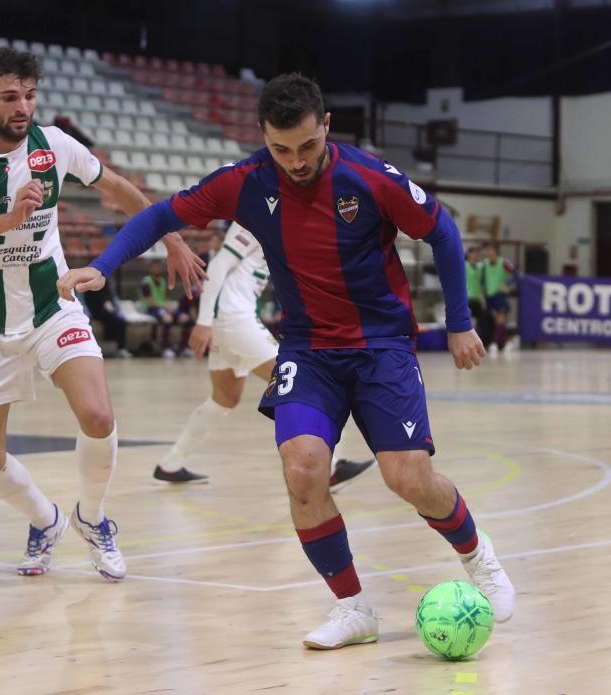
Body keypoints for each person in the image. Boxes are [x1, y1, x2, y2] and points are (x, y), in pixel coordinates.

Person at [58, 72, 514, 649]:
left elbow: (443, 232)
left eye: (307, 146)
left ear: (326, 126)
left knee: (409, 478)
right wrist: (104, 263)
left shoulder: (370, 178)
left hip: (381, 347)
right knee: (303, 471)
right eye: (281, 149)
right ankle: (352, 609)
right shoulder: (245, 182)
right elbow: (160, 217)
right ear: (262, 137)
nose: (296, 161)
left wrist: (460, 323)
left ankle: (480, 559)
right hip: (307, 347)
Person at [0, 47, 204, 579]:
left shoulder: (53, 144)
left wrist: (169, 237)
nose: (23, 108)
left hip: (51, 303)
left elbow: (120, 189)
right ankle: (45, 520)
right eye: (10, 97)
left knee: (99, 415)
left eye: (30, 96)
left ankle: (93, 518)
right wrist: (13, 216)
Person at [154, 220, 377, 489]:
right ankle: (329, 469)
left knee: (224, 398)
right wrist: (203, 321)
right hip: (234, 319)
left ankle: (171, 464)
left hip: (230, 320)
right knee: (301, 384)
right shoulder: (252, 217)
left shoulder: (281, 224)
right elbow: (219, 264)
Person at [140, 258, 192, 357]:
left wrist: (170, 307)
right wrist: (165, 306)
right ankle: (165, 348)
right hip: (151, 309)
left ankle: (183, 348)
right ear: (150, 268)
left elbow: (167, 299)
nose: (158, 268)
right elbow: (149, 302)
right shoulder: (146, 282)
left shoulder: (163, 281)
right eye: (155, 266)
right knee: (167, 319)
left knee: (184, 318)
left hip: (163, 307)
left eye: (159, 266)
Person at [82, 275, 132, 359]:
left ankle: (121, 349)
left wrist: (113, 308)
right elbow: (90, 301)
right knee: (117, 321)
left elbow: (112, 299)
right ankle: (89, 350)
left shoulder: (107, 283)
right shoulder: (90, 284)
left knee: (121, 320)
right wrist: (104, 304)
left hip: (108, 311)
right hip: (96, 311)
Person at [481, 242, 514, 353]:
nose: (488, 252)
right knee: (498, 321)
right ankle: (508, 342)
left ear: (496, 251)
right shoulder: (484, 264)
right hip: (489, 295)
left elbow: (515, 274)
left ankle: (494, 343)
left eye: (491, 250)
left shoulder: (504, 262)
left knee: (500, 319)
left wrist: (507, 284)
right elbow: (483, 279)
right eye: (487, 250)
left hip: (499, 294)